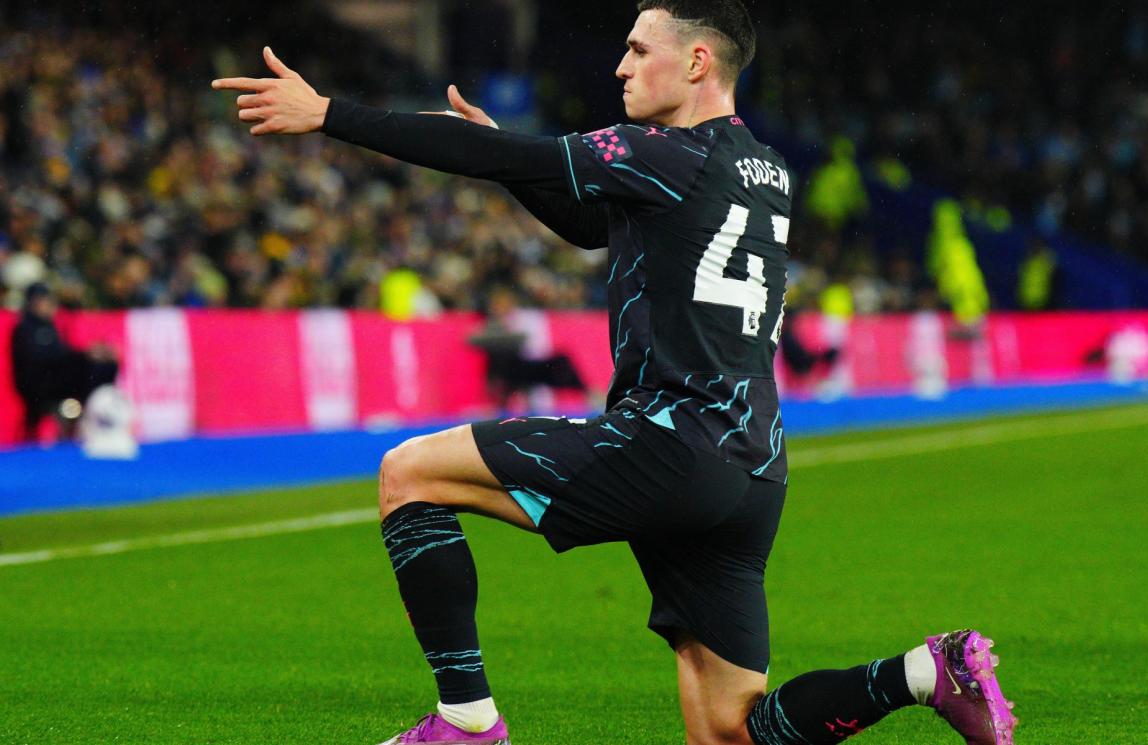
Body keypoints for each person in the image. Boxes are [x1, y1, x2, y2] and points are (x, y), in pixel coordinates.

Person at [213, 2, 1017, 743]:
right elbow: (592, 225)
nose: (621, 67)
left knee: (409, 475)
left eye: (639, 50)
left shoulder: (659, 150)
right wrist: (509, 159)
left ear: (698, 62)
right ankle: (923, 671)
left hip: (668, 444)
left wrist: (330, 115)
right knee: (732, 730)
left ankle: (464, 720)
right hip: (754, 469)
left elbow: (511, 157)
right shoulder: (763, 168)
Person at [9, 283, 118, 442]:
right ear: (33, 302)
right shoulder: (26, 329)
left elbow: (61, 354)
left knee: (103, 366)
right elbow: (43, 360)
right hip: (38, 385)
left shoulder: (49, 326)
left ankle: (99, 414)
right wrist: (84, 355)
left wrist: (90, 354)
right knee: (87, 366)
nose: (50, 305)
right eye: (45, 300)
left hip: (54, 378)